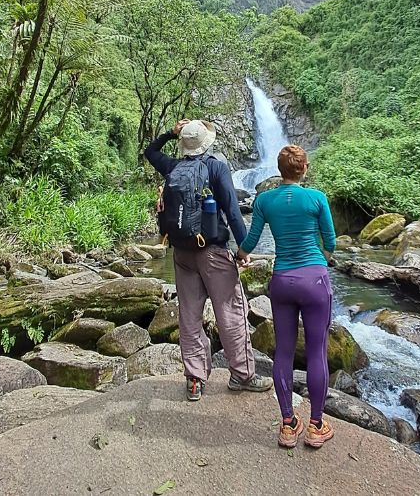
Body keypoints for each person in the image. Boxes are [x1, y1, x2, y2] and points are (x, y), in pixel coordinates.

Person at [144, 119, 273, 402]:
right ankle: (242, 374)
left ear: (183, 143)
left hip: (181, 253)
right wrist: (244, 248)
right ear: (206, 143)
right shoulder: (216, 166)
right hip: (214, 252)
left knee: (189, 316)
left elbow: (150, 152)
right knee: (229, 312)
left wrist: (169, 132)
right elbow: (232, 210)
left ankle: (194, 380)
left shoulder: (172, 167)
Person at [237, 145, 337, 449]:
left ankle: (288, 424)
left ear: (279, 171)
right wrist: (326, 258)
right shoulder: (317, 198)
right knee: (317, 351)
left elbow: (251, 240)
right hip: (315, 280)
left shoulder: (265, 200)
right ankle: (317, 426)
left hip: (282, 281)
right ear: (305, 168)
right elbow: (330, 241)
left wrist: (240, 255)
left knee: (283, 351)